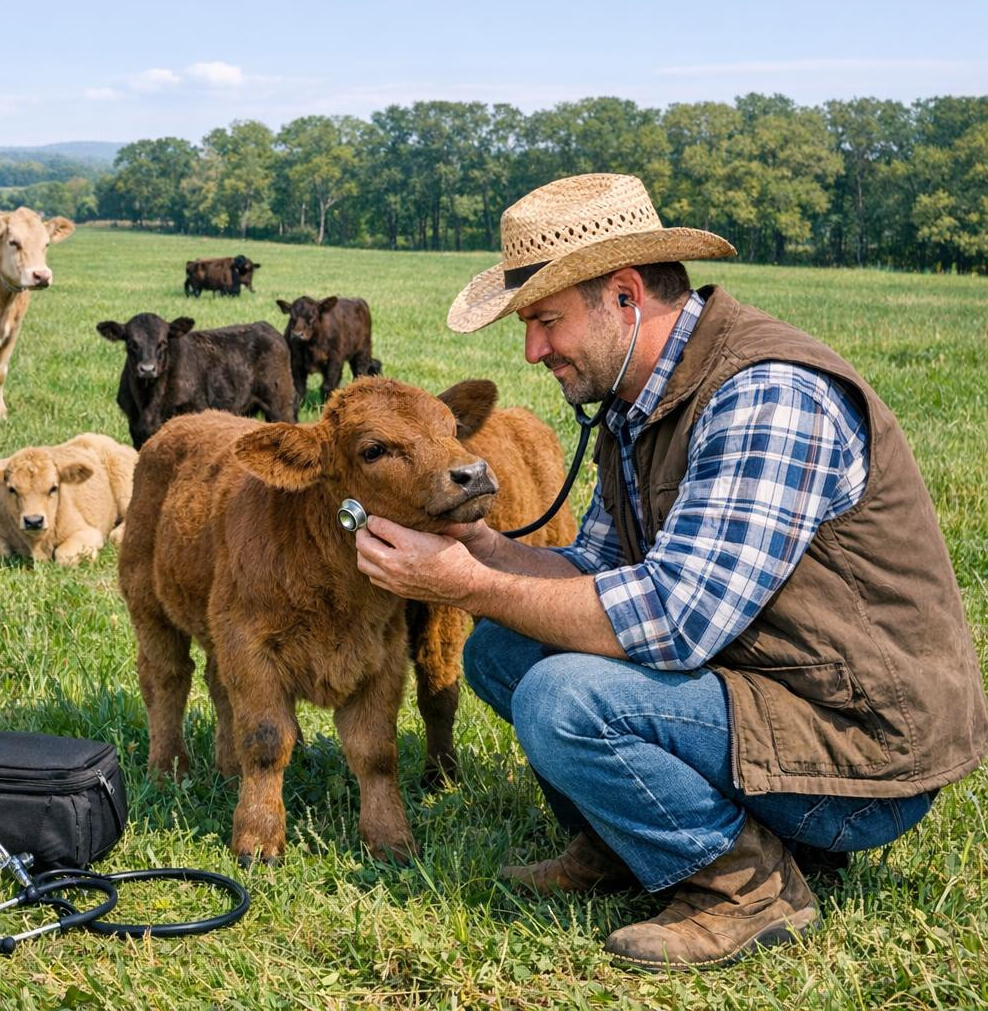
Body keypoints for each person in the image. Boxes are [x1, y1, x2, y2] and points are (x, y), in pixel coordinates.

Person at [354, 173, 986, 970]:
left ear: (624, 295)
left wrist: (469, 585)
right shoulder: (641, 398)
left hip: (861, 744)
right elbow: (596, 568)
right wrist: (486, 552)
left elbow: (675, 619)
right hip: (764, 690)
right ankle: (622, 843)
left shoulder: (765, 394)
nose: (532, 351)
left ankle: (748, 888)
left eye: (545, 321)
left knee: (562, 696)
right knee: (502, 651)